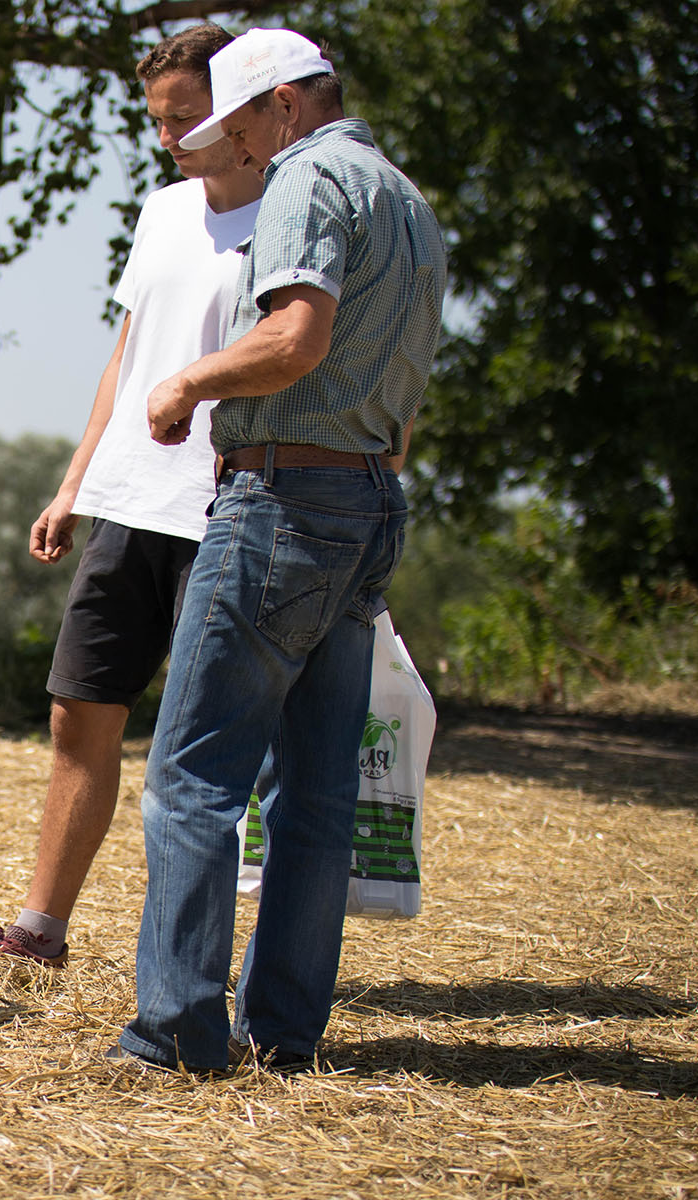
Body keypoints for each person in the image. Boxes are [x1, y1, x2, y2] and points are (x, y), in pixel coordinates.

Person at [108, 27, 446, 1073]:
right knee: (316, 791)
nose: (241, 149)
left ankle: (173, 1035)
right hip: (368, 499)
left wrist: (188, 382)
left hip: (281, 499)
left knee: (192, 780)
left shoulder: (309, 179)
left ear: (287, 106)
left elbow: (294, 336)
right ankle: (283, 1034)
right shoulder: (411, 202)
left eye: (244, 124)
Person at [0, 24, 263, 968]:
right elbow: (127, 356)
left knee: (207, 747)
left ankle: (198, 963)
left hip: (231, 508)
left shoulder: (293, 215)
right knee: (77, 712)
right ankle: (39, 931)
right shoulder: (165, 209)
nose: (169, 137)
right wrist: (75, 483)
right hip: (132, 501)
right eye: (161, 120)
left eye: (186, 119)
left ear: (248, 108)